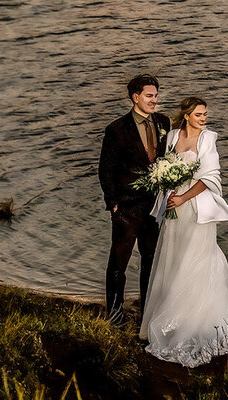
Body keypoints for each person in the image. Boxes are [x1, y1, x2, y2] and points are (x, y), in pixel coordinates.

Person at [140, 96, 228, 366]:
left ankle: (196, 321)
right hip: (174, 207)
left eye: (205, 114)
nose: (204, 118)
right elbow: (164, 166)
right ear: (187, 115)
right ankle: (170, 318)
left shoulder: (207, 139)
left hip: (194, 208)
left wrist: (183, 197)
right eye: (199, 114)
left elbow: (209, 178)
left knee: (196, 259)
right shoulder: (173, 137)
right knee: (173, 259)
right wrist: (168, 189)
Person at [98, 74, 170, 325]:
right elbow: (105, 170)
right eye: (149, 96)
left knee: (150, 261)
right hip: (127, 207)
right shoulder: (117, 129)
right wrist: (113, 204)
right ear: (135, 97)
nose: (154, 100)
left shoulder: (164, 122)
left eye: (156, 96)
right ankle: (115, 315)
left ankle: (147, 314)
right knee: (119, 263)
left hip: (155, 206)